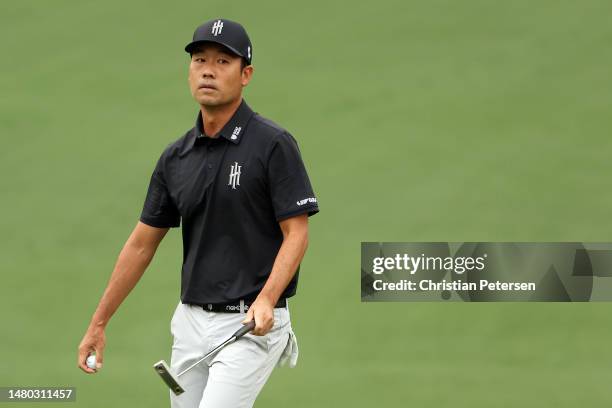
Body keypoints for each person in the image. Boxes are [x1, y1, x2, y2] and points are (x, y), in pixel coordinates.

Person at [77, 18, 319, 408]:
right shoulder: (176, 157)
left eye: (224, 61)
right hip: (190, 324)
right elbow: (141, 244)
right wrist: (99, 322)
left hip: (250, 324)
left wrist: (267, 298)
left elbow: (297, 233)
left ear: (246, 75)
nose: (208, 69)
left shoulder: (272, 144)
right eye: (200, 60)